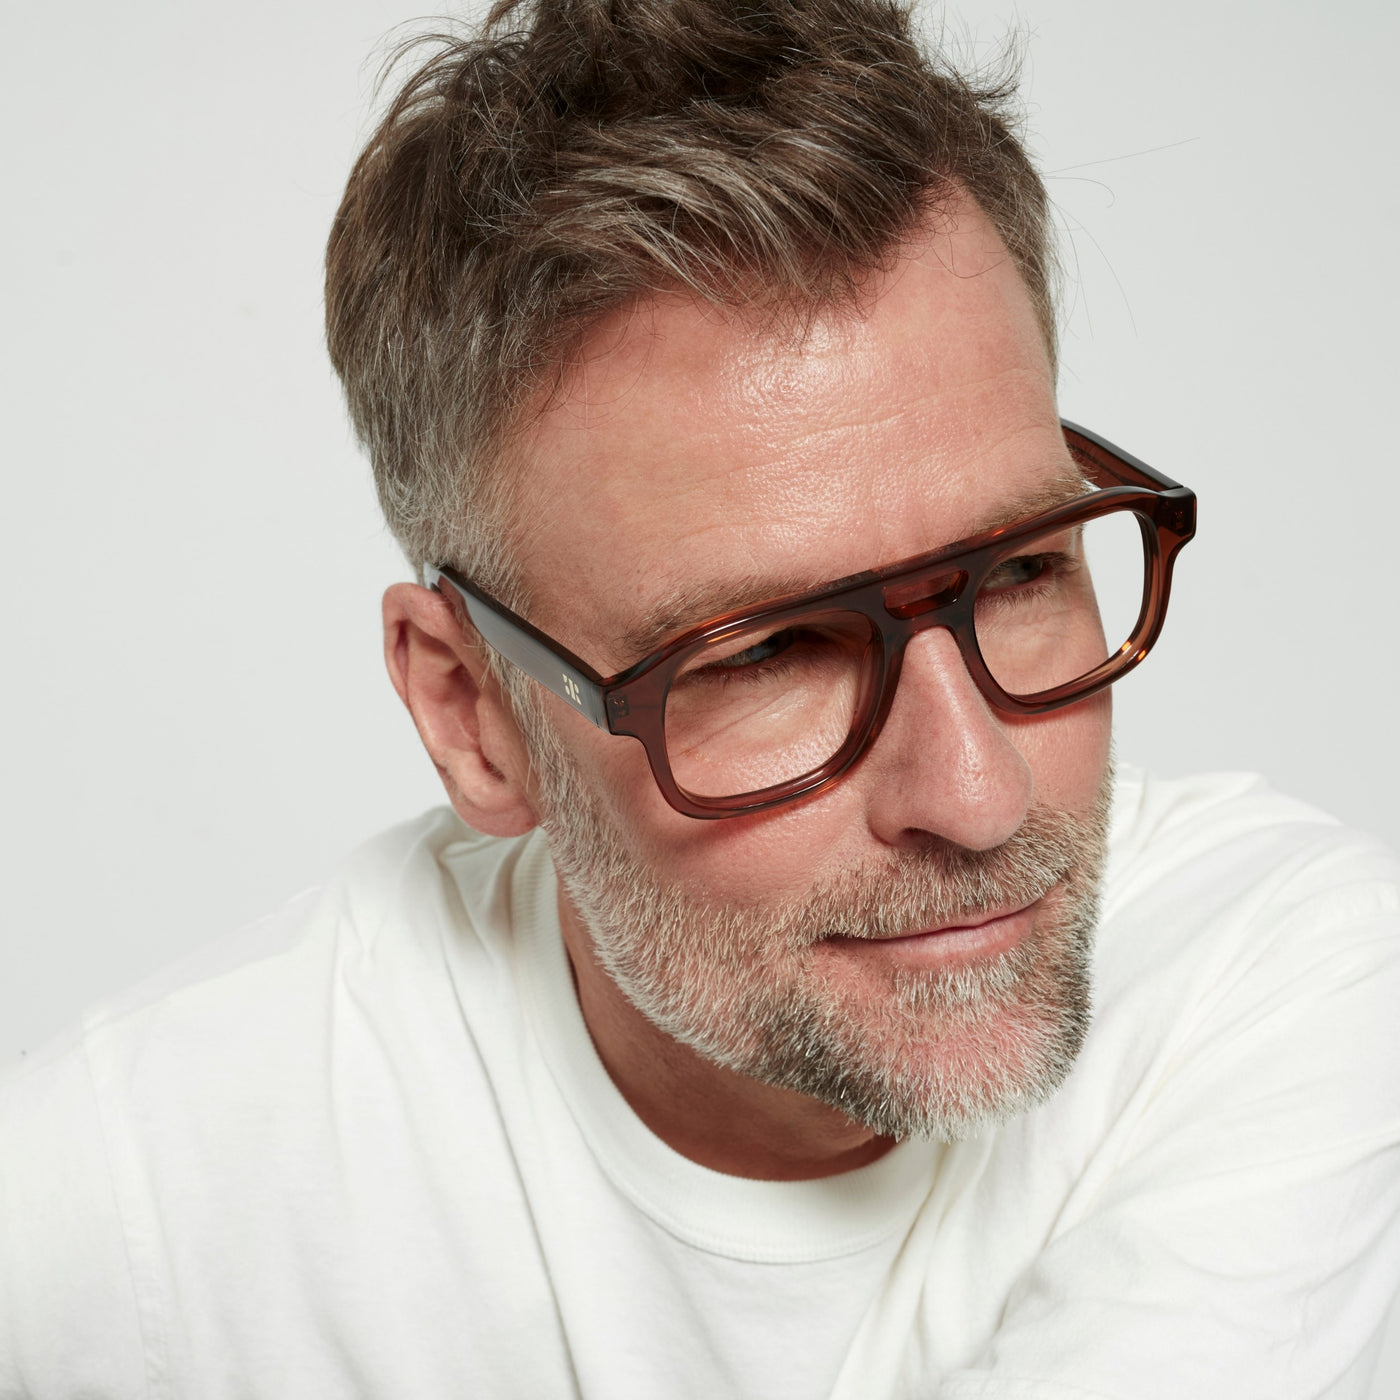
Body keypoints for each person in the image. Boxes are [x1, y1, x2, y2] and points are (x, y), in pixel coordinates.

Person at [2, 0, 1398, 1395]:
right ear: (473, 714)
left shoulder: (1283, 984)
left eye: (1023, 567)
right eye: (766, 651)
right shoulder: (146, 1185)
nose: (979, 796)